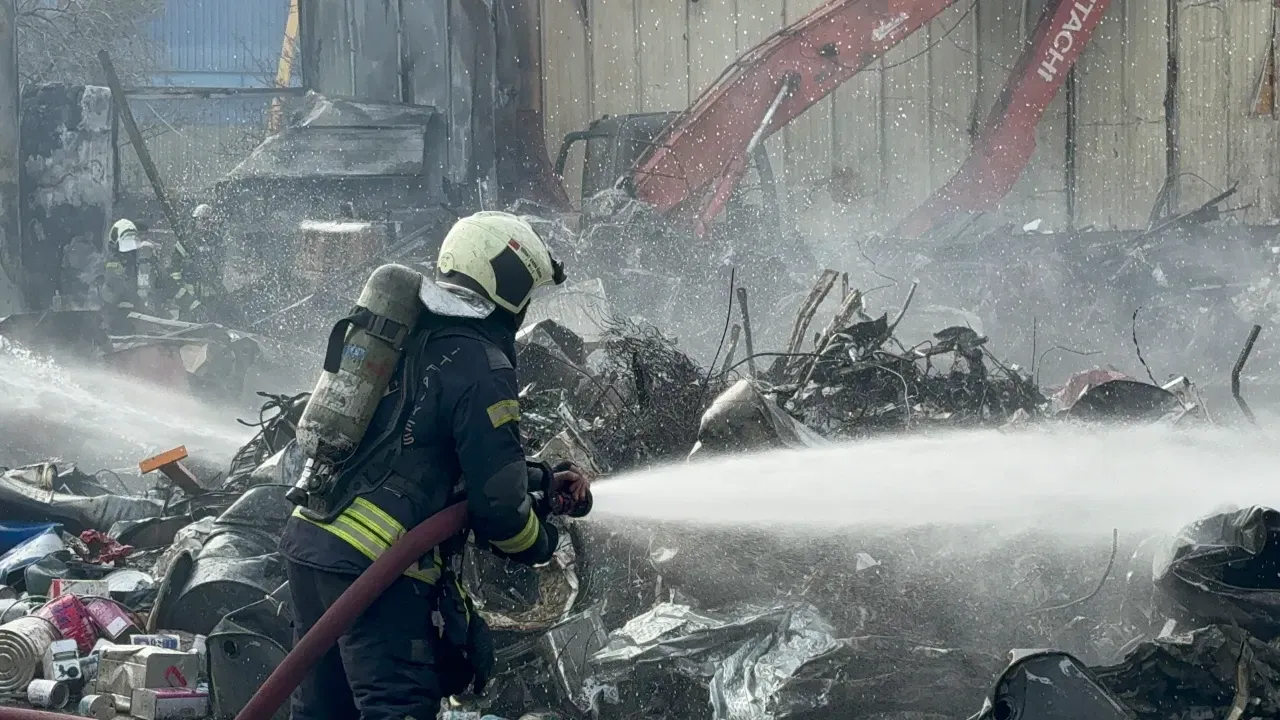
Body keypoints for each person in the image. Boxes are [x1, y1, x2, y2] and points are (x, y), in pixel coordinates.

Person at [277, 211, 589, 720]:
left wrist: (541, 479)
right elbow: (499, 511)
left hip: (312, 543)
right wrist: (542, 542)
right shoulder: (483, 365)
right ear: (507, 286)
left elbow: (417, 448)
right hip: (378, 568)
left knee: (323, 709)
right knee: (395, 708)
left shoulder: (408, 335)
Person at [169, 203, 229, 323]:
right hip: (190, 298)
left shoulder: (217, 241)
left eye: (208, 219)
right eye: (202, 219)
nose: (206, 223)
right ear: (195, 221)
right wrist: (185, 299)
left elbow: (219, 268)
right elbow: (174, 271)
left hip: (211, 299)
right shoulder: (186, 242)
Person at [100, 219, 162, 330]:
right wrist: (139, 302)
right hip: (117, 318)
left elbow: (159, 281)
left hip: (140, 316)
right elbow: (117, 287)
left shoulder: (142, 258)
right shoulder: (113, 263)